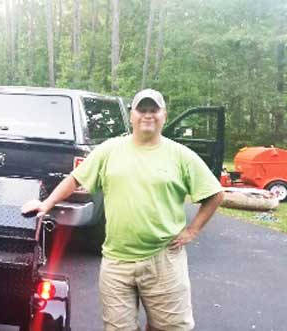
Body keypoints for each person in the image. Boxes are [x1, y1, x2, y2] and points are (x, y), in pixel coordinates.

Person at [22, 89, 224, 331]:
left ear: (164, 115)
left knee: (170, 328)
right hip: (116, 262)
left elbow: (215, 194)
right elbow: (75, 179)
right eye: (142, 110)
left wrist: (192, 231)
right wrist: (46, 204)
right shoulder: (110, 150)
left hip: (163, 260)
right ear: (132, 116)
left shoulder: (181, 156)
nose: (148, 115)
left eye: (154, 110)